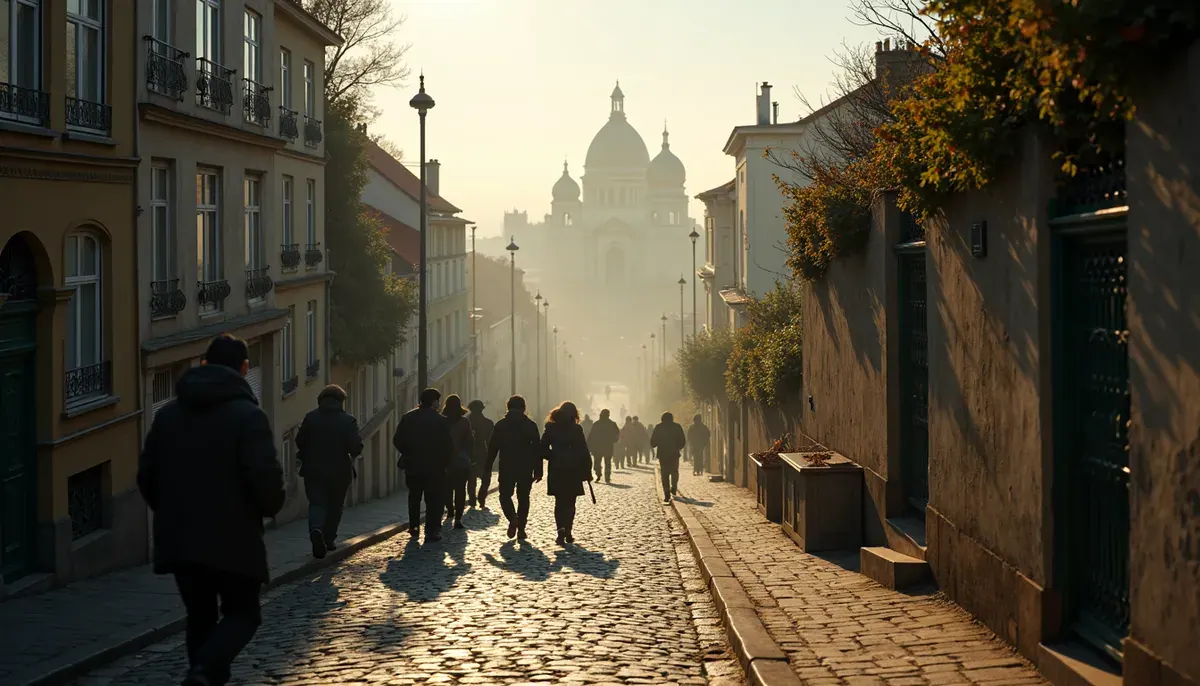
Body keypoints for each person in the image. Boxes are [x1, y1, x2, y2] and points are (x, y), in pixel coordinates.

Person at [138, 334, 285, 686]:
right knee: (243, 614)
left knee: (199, 617)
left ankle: (202, 676)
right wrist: (270, 505)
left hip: (181, 539)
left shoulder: (168, 415)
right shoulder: (249, 416)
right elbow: (263, 476)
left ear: (204, 363)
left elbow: (147, 476)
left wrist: (172, 512)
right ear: (244, 368)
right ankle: (203, 670)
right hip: (234, 539)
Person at [295, 384, 364, 559]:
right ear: (340, 401)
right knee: (335, 505)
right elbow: (354, 446)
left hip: (313, 469)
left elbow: (300, 441)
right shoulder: (348, 420)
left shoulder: (311, 417)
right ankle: (329, 539)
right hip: (339, 471)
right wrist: (356, 448)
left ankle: (315, 529)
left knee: (317, 503)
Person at [393, 388, 454, 542]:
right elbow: (448, 445)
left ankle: (414, 526)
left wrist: (408, 453)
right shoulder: (441, 421)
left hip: (413, 466)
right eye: (438, 400)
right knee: (434, 499)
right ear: (434, 402)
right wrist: (445, 462)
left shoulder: (408, 417)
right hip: (435, 467)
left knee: (414, 497)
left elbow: (397, 440)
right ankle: (431, 530)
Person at [486, 395, 543, 539]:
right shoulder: (530, 425)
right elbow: (537, 449)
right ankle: (521, 529)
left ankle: (512, 518)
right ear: (524, 408)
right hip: (525, 466)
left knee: (505, 496)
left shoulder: (501, 425)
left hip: (507, 465)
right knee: (523, 498)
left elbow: (493, 448)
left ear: (508, 407)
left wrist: (487, 467)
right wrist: (538, 470)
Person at [540, 401, 591, 545]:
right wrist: (587, 470)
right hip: (573, 469)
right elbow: (583, 451)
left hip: (556, 469)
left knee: (559, 502)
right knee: (570, 502)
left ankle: (560, 530)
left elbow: (542, 448)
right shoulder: (576, 429)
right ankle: (568, 530)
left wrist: (553, 456)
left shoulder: (551, 428)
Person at [441, 395, 475, 529]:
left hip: (445, 461)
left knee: (447, 489)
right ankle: (458, 518)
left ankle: (450, 510)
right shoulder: (464, 422)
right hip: (461, 461)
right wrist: (470, 456)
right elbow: (470, 441)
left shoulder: (442, 421)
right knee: (460, 491)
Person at [650, 411, 687, 503]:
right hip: (674, 454)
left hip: (663, 454)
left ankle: (667, 494)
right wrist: (678, 447)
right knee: (674, 471)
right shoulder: (677, 427)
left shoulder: (659, 427)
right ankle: (674, 487)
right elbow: (683, 440)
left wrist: (657, 443)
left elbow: (653, 442)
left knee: (664, 474)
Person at [467, 399, 495, 508]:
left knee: (471, 479)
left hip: (469, 453)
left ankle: (472, 500)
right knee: (485, 478)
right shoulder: (488, 423)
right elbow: (490, 441)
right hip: (483, 453)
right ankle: (481, 497)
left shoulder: (465, 422)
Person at [587, 409, 620, 483]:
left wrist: (589, 446)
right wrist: (614, 440)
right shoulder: (612, 424)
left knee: (597, 463)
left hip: (598, 447)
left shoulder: (597, 424)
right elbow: (617, 434)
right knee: (607, 463)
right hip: (608, 446)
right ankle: (607, 478)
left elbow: (591, 436)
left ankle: (598, 474)